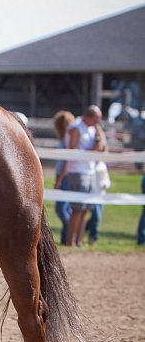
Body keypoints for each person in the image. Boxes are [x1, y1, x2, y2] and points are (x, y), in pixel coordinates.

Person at [55, 105, 105, 246]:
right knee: (77, 209)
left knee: (84, 210)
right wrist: (91, 150)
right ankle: (70, 241)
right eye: (96, 120)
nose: (97, 123)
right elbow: (72, 150)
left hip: (89, 170)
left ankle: (79, 241)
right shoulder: (76, 128)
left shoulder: (92, 128)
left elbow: (101, 146)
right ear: (90, 117)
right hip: (77, 171)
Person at [52, 110, 75, 245]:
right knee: (65, 208)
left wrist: (59, 179)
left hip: (65, 175)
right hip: (63, 174)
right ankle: (67, 235)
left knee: (61, 208)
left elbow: (66, 161)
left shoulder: (67, 138)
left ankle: (69, 232)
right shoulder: (66, 137)